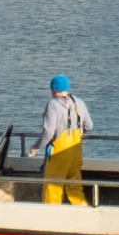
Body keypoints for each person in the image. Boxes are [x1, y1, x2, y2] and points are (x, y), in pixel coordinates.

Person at [33, 75, 93, 204]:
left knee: (53, 190)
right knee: (75, 189)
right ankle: (85, 218)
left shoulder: (53, 104)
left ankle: (51, 221)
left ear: (53, 90)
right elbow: (89, 125)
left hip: (59, 156)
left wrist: (36, 147)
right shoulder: (79, 102)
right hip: (75, 154)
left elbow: (49, 131)